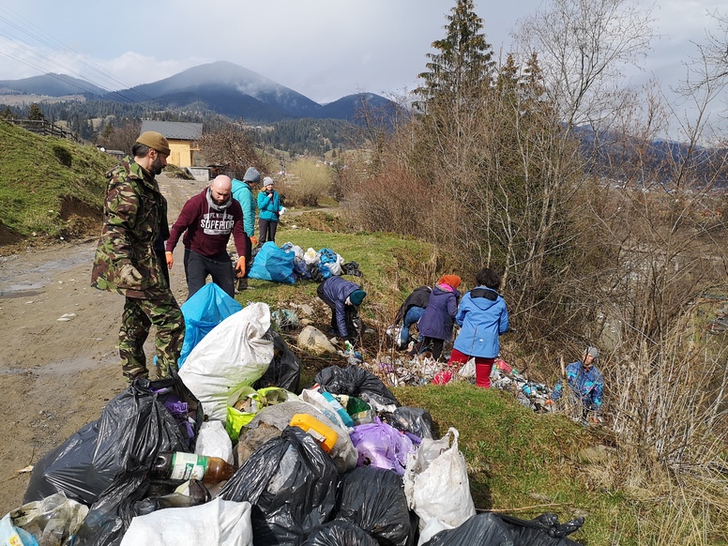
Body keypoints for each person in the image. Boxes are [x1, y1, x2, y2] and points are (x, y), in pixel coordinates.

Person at [91, 131, 185, 381]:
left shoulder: (143, 177)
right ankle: (167, 385)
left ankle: (137, 382)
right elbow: (115, 228)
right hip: (137, 266)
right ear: (152, 153)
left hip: (147, 261)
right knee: (171, 322)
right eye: (164, 157)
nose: (166, 163)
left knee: (136, 323)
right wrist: (123, 265)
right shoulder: (127, 182)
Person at [164, 175, 248, 299]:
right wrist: (169, 250)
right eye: (219, 194)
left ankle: (223, 318)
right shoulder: (196, 203)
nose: (221, 198)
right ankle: (192, 318)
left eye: (226, 195)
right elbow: (178, 227)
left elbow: (239, 232)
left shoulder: (234, 206)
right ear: (211, 186)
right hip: (196, 253)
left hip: (219, 254)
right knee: (197, 296)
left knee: (227, 295)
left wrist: (242, 256)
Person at [448, 267, 509, 388]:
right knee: (483, 382)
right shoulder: (500, 302)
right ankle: (482, 405)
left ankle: (432, 391)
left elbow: (459, 317)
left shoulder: (468, 297)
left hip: (466, 341)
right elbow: (503, 327)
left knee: (448, 372)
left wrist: (465, 327)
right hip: (488, 345)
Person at [411, 275, 461, 361]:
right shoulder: (450, 296)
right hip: (440, 323)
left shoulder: (435, 291)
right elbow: (452, 312)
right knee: (438, 344)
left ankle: (410, 354)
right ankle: (435, 361)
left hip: (428, 319)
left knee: (425, 341)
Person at [551, 346, 604, 420]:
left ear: (593, 359)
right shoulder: (572, 367)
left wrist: (594, 414)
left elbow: (597, 396)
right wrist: (553, 398)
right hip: (567, 404)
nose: (586, 358)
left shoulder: (597, 375)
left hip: (583, 408)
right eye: (585, 355)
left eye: (590, 356)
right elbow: (561, 383)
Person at [231, 167, 261, 289]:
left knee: (240, 255)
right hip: (242, 229)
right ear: (252, 181)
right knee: (244, 255)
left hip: (233, 226)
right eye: (256, 183)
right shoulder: (245, 192)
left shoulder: (235, 188)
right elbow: (246, 213)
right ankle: (236, 283)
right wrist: (250, 233)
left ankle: (241, 283)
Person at [317, 276, 366, 345]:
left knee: (348, 310)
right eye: (349, 302)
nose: (347, 303)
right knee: (336, 309)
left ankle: (349, 332)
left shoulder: (356, 291)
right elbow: (340, 318)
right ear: (349, 296)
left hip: (336, 282)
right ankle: (334, 329)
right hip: (324, 289)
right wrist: (345, 339)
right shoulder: (340, 297)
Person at [257, 176, 283, 245]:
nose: (270, 186)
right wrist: (268, 198)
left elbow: (277, 206)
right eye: (268, 185)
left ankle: (271, 252)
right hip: (264, 217)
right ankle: (261, 251)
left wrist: (282, 208)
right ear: (265, 185)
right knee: (262, 238)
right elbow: (260, 206)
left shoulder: (276, 194)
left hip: (274, 218)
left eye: (271, 184)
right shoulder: (261, 194)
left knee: (271, 238)